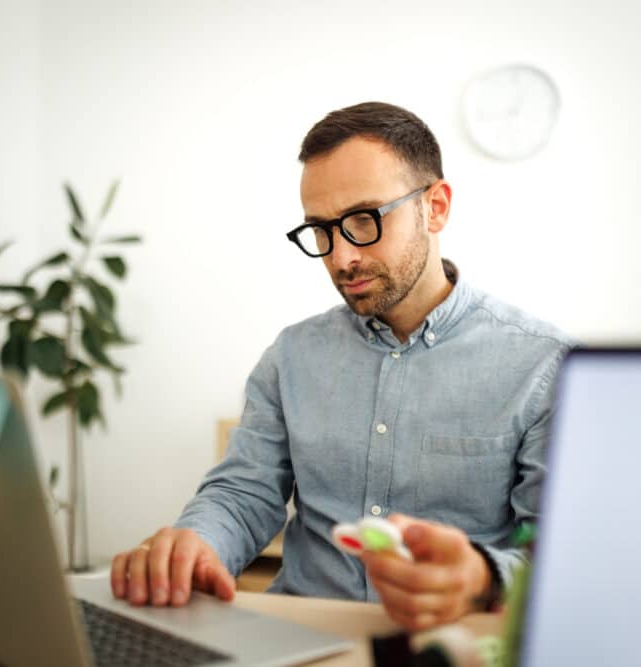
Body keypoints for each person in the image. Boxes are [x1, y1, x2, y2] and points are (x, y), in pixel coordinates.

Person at [110, 101, 572, 630]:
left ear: (436, 206)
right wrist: (198, 544)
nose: (340, 258)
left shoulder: (546, 366)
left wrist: (483, 576)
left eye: (363, 220)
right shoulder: (290, 357)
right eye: (322, 229)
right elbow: (244, 494)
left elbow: (560, 556)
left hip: (446, 646)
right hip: (297, 636)